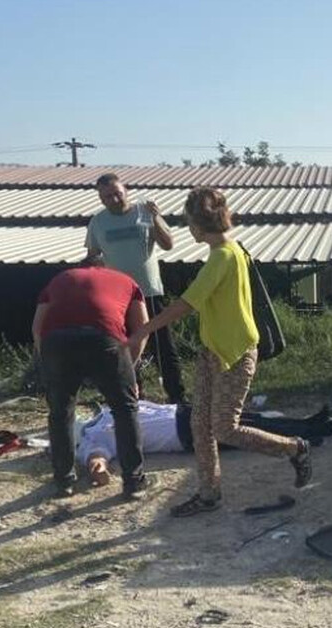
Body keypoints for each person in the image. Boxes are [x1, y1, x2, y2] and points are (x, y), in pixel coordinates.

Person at [127, 186, 311, 517]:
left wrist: (143, 329)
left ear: (198, 225)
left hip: (236, 352)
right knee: (200, 426)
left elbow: (185, 304)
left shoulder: (223, 256)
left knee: (225, 427)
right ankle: (209, 494)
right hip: (214, 351)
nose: (189, 229)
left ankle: (295, 448)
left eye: (188, 223)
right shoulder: (228, 250)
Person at [32, 260, 152, 500]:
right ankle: (134, 482)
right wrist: (131, 369)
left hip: (57, 341)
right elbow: (142, 329)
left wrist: (49, 363)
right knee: (125, 408)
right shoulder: (127, 281)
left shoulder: (59, 279)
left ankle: (63, 481)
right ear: (105, 268)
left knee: (61, 412)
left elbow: (37, 328)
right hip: (105, 338)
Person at [85, 173, 188, 406]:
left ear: (126, 191)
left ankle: (177, 397)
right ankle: (134, 395)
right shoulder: (98, 222)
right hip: (117, 297)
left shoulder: (144, 213)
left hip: (149, 292)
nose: (113, 199)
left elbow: (168, 244)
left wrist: (156, 217)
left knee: (163, 347)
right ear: (101, 199)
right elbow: (93, 255)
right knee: (125, 347)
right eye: (107, 196)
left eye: (117, 194)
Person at [77, 400, 332, 487]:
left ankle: (308, 424)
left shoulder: (106, 410)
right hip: (183, 433)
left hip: (183, 412)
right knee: (253, 430)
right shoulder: (89, 440)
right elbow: (96, 459)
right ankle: (308, 434)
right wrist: (98, 470)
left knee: (251, 419)